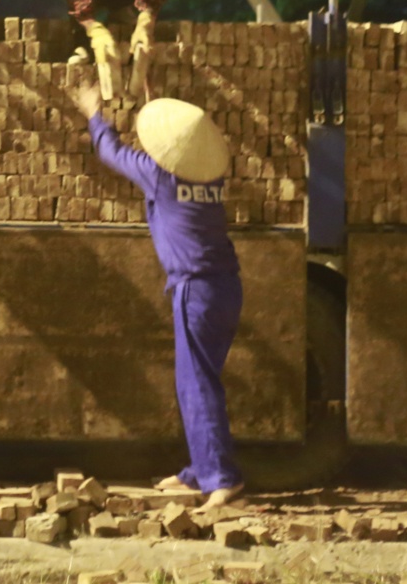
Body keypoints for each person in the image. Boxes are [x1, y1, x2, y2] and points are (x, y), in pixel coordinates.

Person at [70, 80, 243, 508]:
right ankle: (199, 471)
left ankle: (221, 479)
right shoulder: (210, 175)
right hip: (225, 286)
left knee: (197, 384)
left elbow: (112, 152)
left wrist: (93, 113)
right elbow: (168, 153)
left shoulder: (160, 176)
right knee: (199, 381)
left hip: (195, 289)